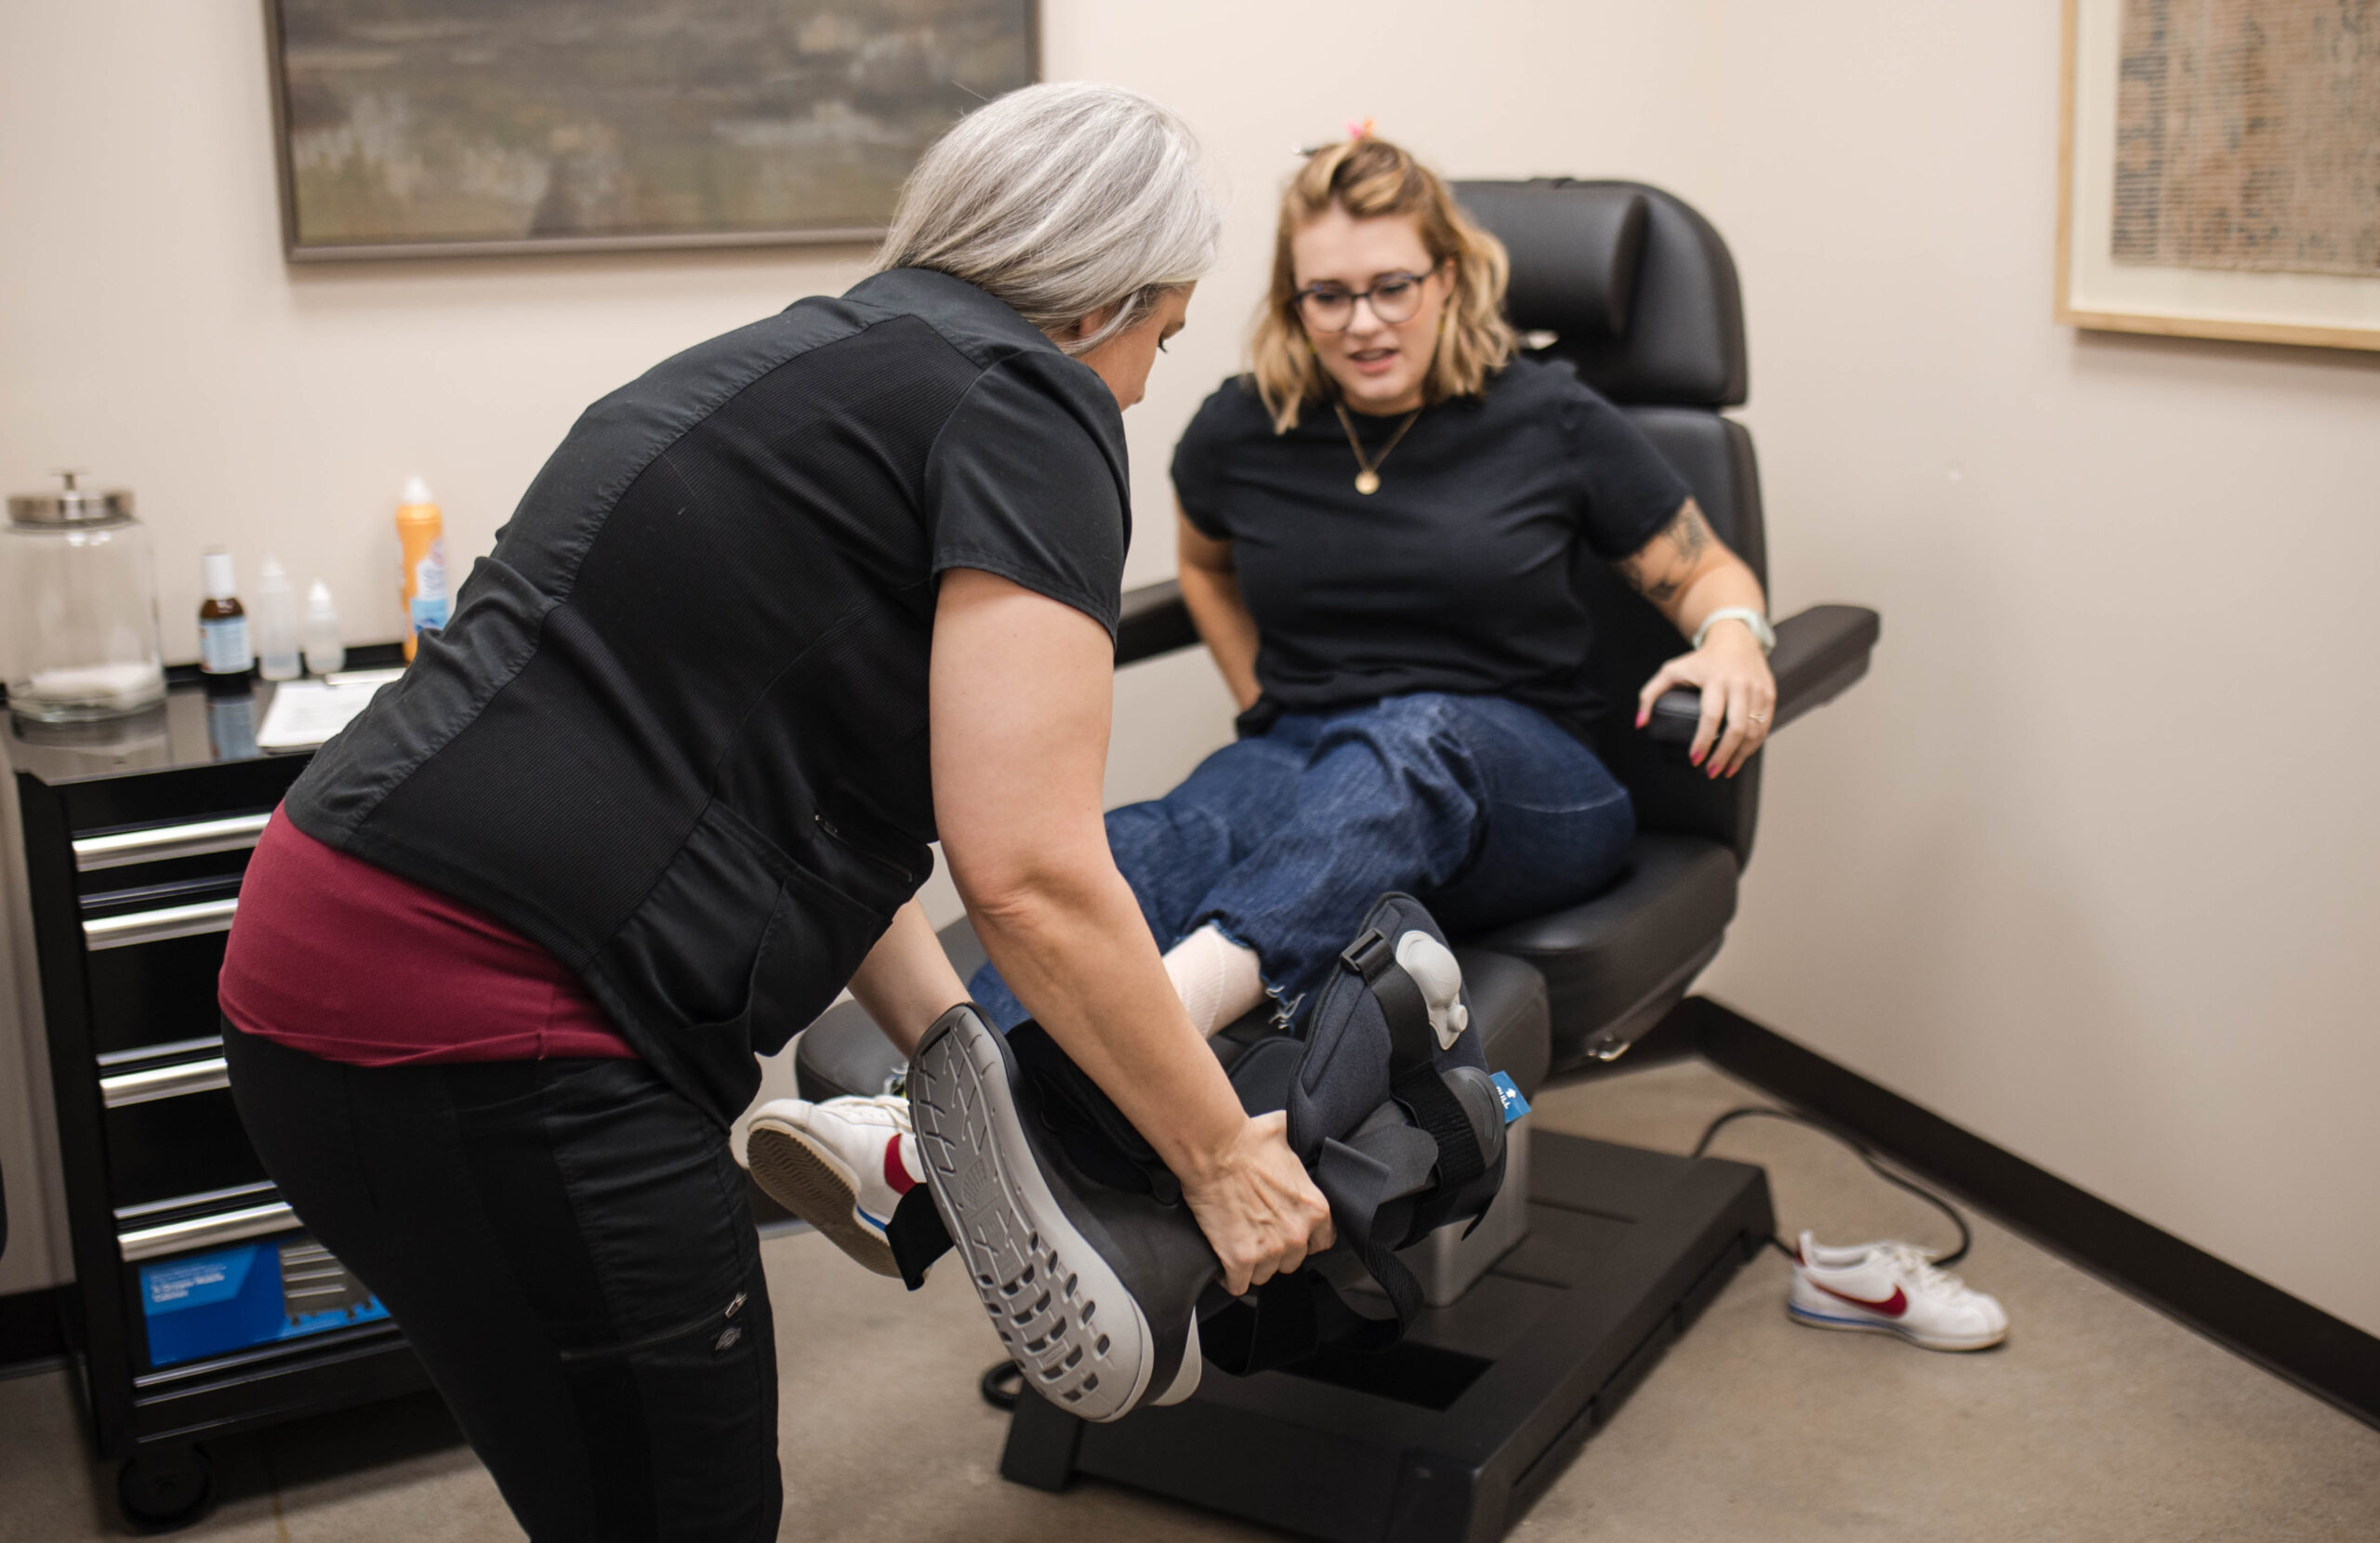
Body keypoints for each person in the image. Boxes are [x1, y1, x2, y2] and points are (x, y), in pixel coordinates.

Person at [217, 82, 1333, 1543]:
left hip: (305, 979)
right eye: (1159, 341)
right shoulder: (1032, 403)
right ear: (1100, 299)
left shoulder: (772, 366)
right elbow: (1036, 878)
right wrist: (1224, 1156)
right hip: (500, 1030)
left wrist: (962, 1064)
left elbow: (794, 788)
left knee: (597, 1486)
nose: (1138, 388)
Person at [757, 128, 1779, 1268]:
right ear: (1293, 303)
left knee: (1411, 739)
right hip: (1311, 757)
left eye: (1393, 285)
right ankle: (919, 1119)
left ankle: (1157, 1046)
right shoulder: (1243, 429)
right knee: (1145, 843)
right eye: (1327, 295)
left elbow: (1701, 570)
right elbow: (1206, 566)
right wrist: (1261, 695)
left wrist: (1733, 635)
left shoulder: (1549, 415)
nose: (1362, 320)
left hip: (1525, 778)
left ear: (1450, 276)